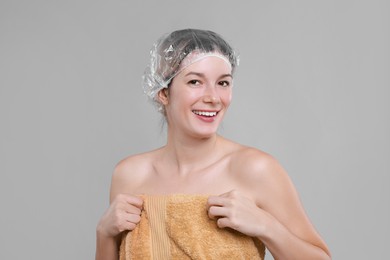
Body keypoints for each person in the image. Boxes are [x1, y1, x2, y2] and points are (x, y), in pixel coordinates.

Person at [95, 29, 331, 260]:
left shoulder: (255, 169)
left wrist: (266, 226)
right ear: (163, 92)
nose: (213, 97)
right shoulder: (130, 175)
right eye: (195, 81)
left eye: (223, 83)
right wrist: (104, 234)